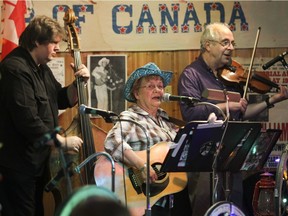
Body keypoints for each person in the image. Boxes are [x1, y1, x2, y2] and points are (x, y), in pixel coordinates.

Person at [178, 22, 288, 215]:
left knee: (234, 208)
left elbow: (242, 113)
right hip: (204, 158)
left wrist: (272, 100)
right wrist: (226, 106)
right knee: (206, 209)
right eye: (225, 42)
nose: (231, 48)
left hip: (231, 155)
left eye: (232, 43)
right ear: (208, 45)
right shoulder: (191, 75)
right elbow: (190, 113)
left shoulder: (229, 76)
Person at [0, 15, 90, 216]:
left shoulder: (41, 68)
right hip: (19, 165)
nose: (58, 48)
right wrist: (62, 142)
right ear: (36, 41)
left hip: (38, 163)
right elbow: (28, 120)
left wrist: (78, 84)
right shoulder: (15, 68)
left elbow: (60, 98)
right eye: (53, 43)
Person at [104, 62, 191, 216]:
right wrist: (142, 166)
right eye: (151, 86)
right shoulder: (131, 117)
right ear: (137, 94)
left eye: (160, 86)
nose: (158, 90)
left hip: (169, 196)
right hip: (144, 198)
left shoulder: (165, 121)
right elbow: (112, 141)